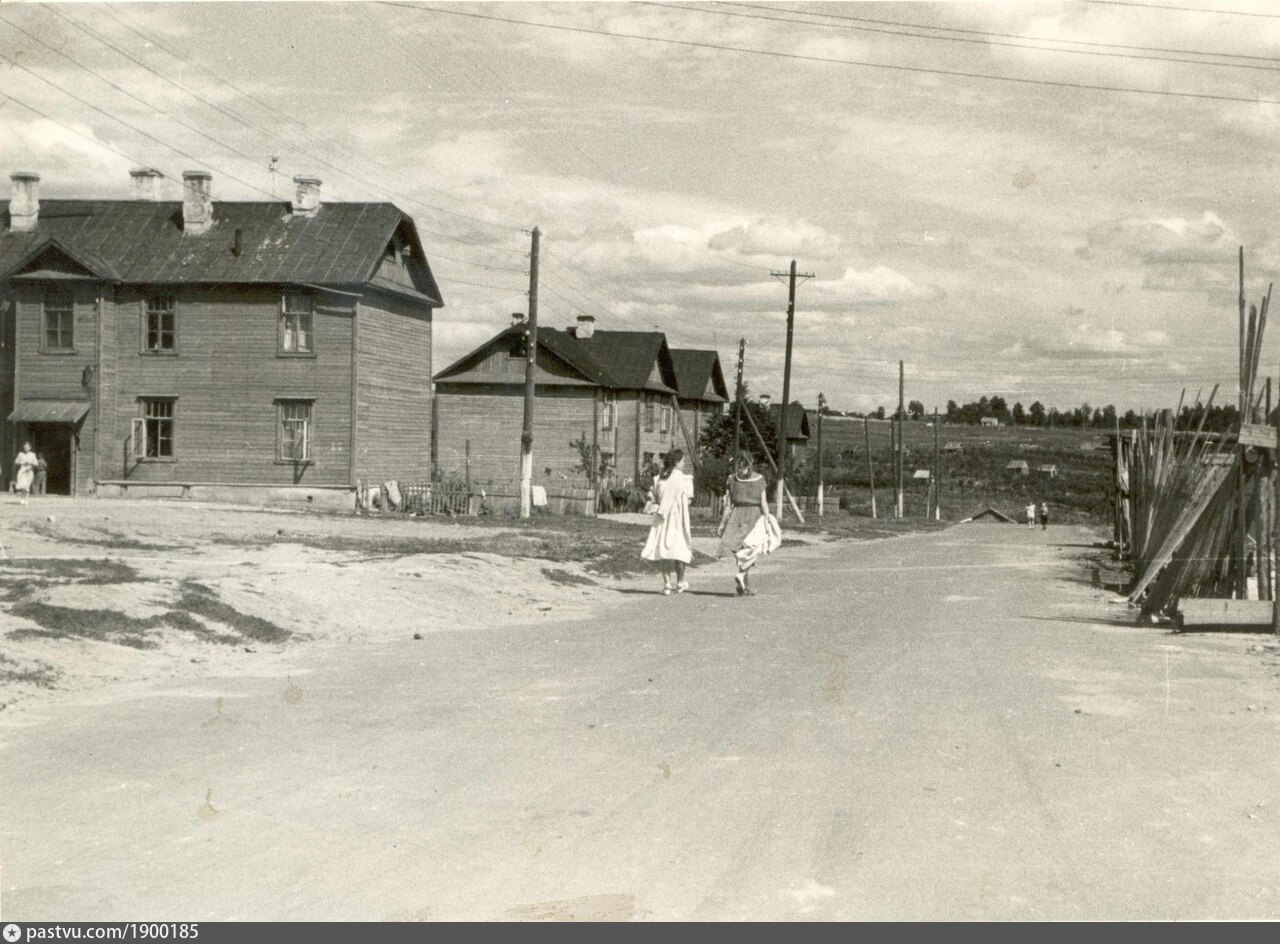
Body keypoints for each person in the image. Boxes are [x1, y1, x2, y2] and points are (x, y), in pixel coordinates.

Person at [640, 449, 695, 595]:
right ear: (677, 462)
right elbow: (688, 501)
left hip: (662, 518)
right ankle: (681, 581)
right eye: (683, 461)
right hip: (678, 519)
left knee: (662, 548)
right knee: (679, 549)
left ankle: (667, 584)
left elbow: (654, 497)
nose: (684, 464)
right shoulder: (685, 479)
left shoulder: (659, 479)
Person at [717, 451, 771, 596]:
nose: (741, 470)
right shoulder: (757, 480)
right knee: (748, 549)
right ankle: (742, 578)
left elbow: (728, 504)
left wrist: (723, 523)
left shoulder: (734, 479)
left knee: (741, 549)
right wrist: (767, 519)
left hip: (740, 516)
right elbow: (763, 503)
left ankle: (743, 585)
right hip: (752, 516)